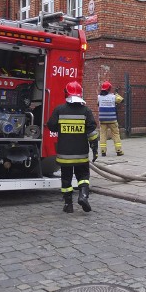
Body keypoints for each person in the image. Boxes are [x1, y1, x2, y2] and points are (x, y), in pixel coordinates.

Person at [46, 81, 99, 213]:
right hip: (81, 153)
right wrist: (95, 149)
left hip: (64, 154)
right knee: (83, 176)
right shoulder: (86, 111)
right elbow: (92, 133)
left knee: (66, 178)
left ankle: (68, 205)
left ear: (66, 94)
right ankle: (83, 196)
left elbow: (51, 126)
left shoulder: (59, 110)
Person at [97, 81, 124, 156]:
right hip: (112, 119)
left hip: (102, 120)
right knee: (115, 134)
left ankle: (103, 151)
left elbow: (98, 104)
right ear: (109, 89)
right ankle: (118, 150)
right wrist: (116, 94)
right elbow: (122, 100)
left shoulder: (99, 97)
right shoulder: (113, 96)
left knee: (102, 135)